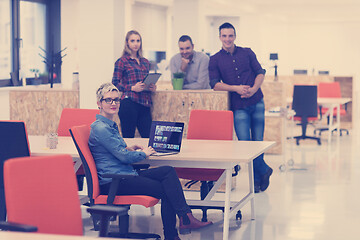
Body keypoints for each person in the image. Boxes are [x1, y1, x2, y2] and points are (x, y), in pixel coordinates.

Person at [89, 83, 212, 240]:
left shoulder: (108, 125)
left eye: (116, 100)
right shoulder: (101, 128)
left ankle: (184, 219)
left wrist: (129, 148)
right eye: (108, 100)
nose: (114, 103)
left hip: (124, 174)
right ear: (99, 103)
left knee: (167, 170)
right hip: (115, 181)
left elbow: (116, 152)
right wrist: (143, 153)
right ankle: (176, 231)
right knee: (167, 189)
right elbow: (123, 158)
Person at [208, 22, 273, 193]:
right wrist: (235, 88)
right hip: (239, 107)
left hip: (257, 101)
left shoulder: (247, 52)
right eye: (224, 36)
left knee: (258, 142)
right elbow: (214, 84)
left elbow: (260, 72)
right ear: (220, 37)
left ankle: (257, 181)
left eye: (230, 35)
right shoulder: (215, 59)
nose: (227, 39)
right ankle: (264, 170)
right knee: (245, 145)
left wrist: (253, 89)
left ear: (235, 36)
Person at [112, 30, 155, 138]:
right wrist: (132, 88)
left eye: (138, 40)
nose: (136, 43)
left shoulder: (145, 62)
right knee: (128, 137)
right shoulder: (122, 61)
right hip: (129, 103)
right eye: (132, 41)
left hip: (144, 103)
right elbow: (114, 83)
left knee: (148, 138)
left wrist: (151, 86)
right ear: (127, 43)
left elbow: (144, 80)